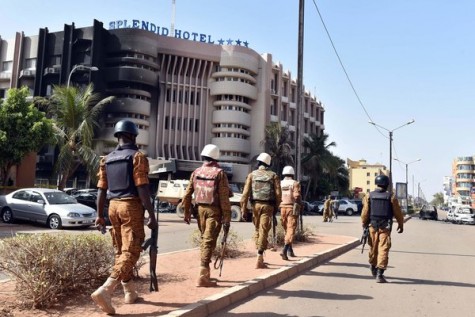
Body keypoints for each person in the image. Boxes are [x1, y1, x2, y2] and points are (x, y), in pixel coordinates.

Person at [91, 119, 158, 315]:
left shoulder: (106, 159)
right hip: (130, 207)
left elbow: (101, 190)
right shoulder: (137, 157)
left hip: (113, 207)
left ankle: (129, 292)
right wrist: (151, 216)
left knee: (120, 251)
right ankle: (106, 289)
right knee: (132, 250)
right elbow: (142, 187)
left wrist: (99, 216)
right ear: (133, 136)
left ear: (118, 136)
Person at [182, 144, 231, 287]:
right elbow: (224, 198)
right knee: (208, 241)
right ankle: (203, 275)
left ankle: (206, 273)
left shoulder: (196, 172)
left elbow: (187, 194)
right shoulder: (219, 173)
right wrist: (227, 218)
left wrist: (187, 212)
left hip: (200, 211)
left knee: (205, 239)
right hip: (213, 212)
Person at [240, 153, 282, 268]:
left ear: (258, 162)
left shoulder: (252, 175)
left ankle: (260, 254)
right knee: (264, 230)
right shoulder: (273, 175)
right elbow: (278, 195)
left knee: (258, 229)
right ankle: (259, 257)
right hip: (268, 206)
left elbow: (245, 194)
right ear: (269, 163)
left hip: (255, 205)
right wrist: (276, 208)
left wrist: (243, 209)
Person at [361, 175, 404, 283]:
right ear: (387, 185)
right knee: (383, 249)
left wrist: (364, 224)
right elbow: (398, 213)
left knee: (373, 248)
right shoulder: (391, 197)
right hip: (385, 227)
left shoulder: (369, 195)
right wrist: (400, 224)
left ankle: (373, 266)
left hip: (372, 226)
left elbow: (365, 212)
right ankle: (379, 274)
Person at [279, 165, 301, 260]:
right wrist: (300, 204)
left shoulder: (280, 183)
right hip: (291, 208)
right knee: (291, 229)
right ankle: (284, 250)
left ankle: (290, 251)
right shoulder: (295, 183)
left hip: (282, 208)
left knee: (286, 229)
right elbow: (297, 196)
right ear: (292, 174)